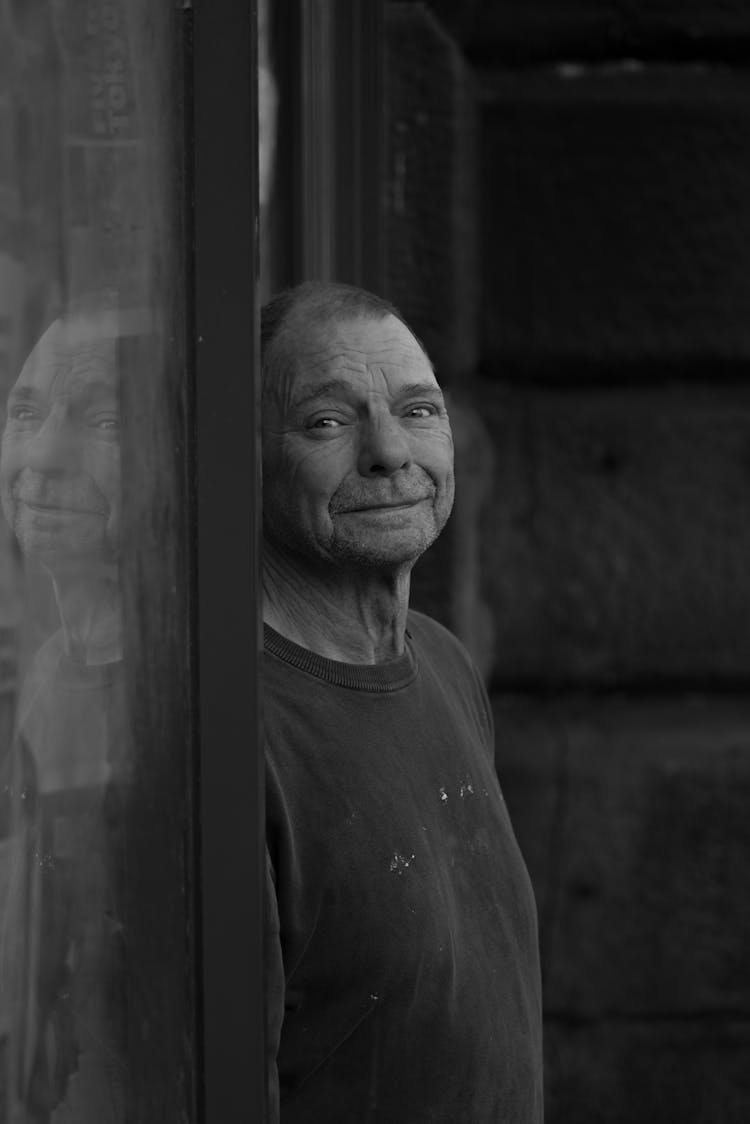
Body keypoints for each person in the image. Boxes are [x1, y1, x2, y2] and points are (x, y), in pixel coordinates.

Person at [262, 281, 543, 1123]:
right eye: (327, 421)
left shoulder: (445, 663)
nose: (390, 452)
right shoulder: (230, 726)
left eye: (419, 411)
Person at [0, 302, 137, 1122]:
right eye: (25, 412)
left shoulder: (208, 693)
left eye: (106, 420)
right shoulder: (51, 671)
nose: (41, 457)